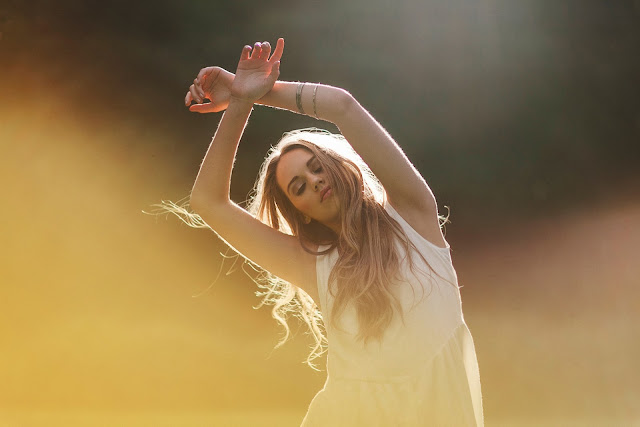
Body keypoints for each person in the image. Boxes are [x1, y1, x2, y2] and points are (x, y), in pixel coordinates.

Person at [173, 38, 483, 426]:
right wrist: (238, 105)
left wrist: (251, 89)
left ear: (337, 165)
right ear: (300, 214)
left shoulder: (412, 215)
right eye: (299, 187)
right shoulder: (314, 266)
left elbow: (342, 106)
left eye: (317, 167)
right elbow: (208, 202)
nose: (315, 181)